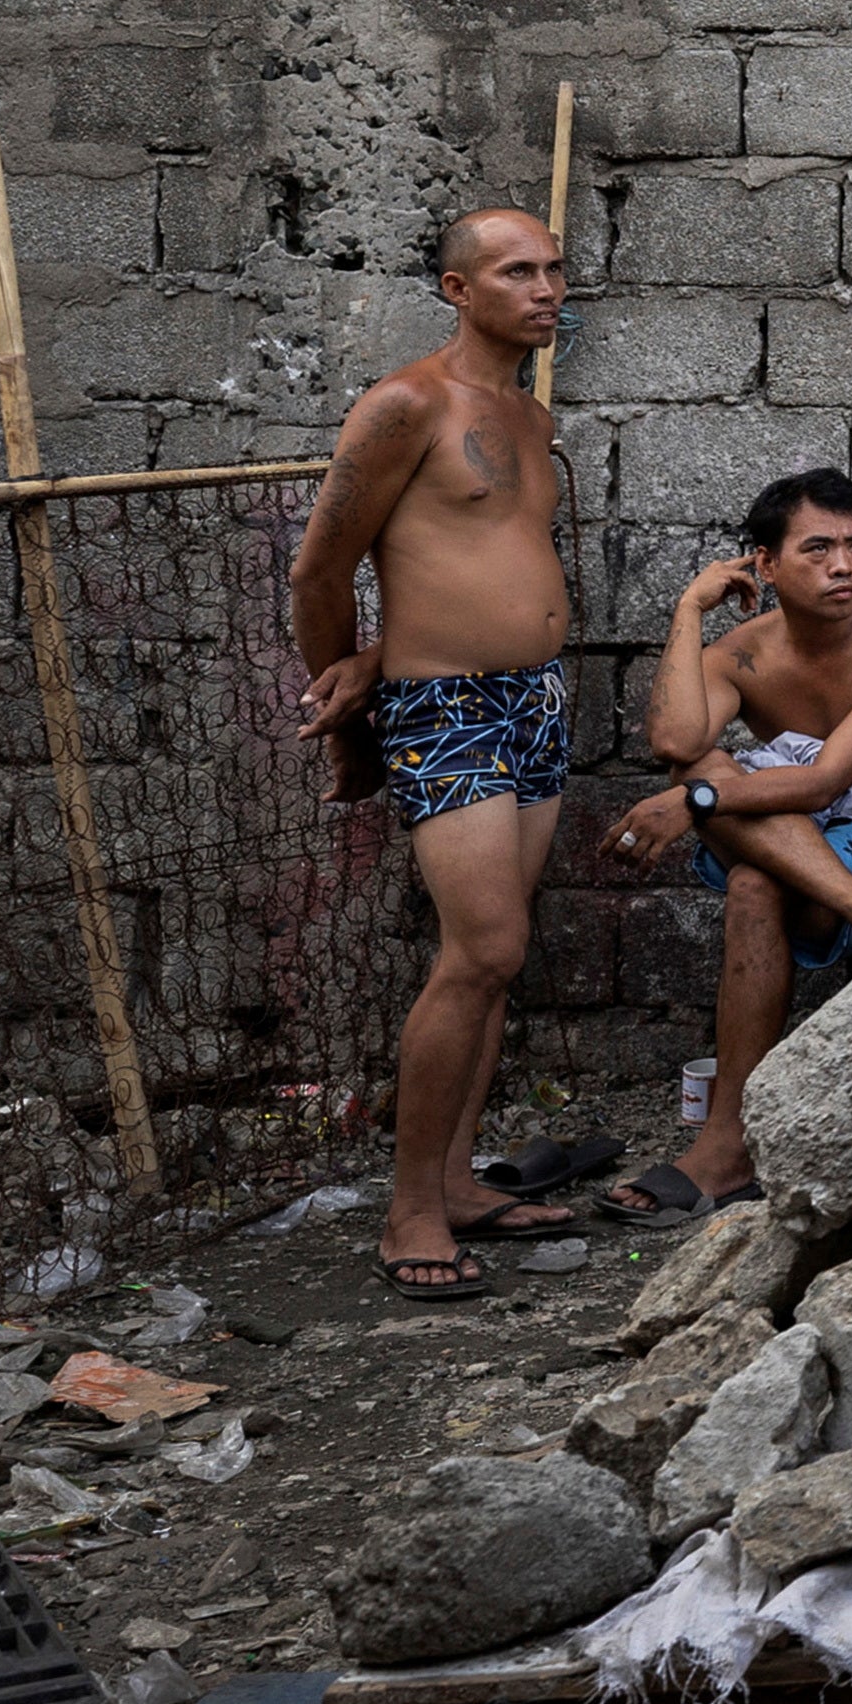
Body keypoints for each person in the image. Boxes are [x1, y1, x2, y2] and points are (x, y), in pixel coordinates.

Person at [288, 205, 582, 1303]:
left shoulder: (531, 416)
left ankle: (458, 1180)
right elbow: (323, 570)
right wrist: (356, 693)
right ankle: (410, 1206)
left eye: (553, 269)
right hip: (447, 706)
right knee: (483, 948)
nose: (546, 289)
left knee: (498, 957)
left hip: (534, 702)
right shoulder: (407, 403)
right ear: (460, 291)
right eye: (517, 272)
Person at [595, 465, 852, 1219]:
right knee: (705, 764)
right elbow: (675, 738)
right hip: (794, 836)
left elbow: (825, 783)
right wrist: (691, 609)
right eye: (818, 549)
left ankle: (724, 1146)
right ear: (765, 564)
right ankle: (732, 1143)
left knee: (737, 841)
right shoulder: (745, 653)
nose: (844, 566)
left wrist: (696, 802)